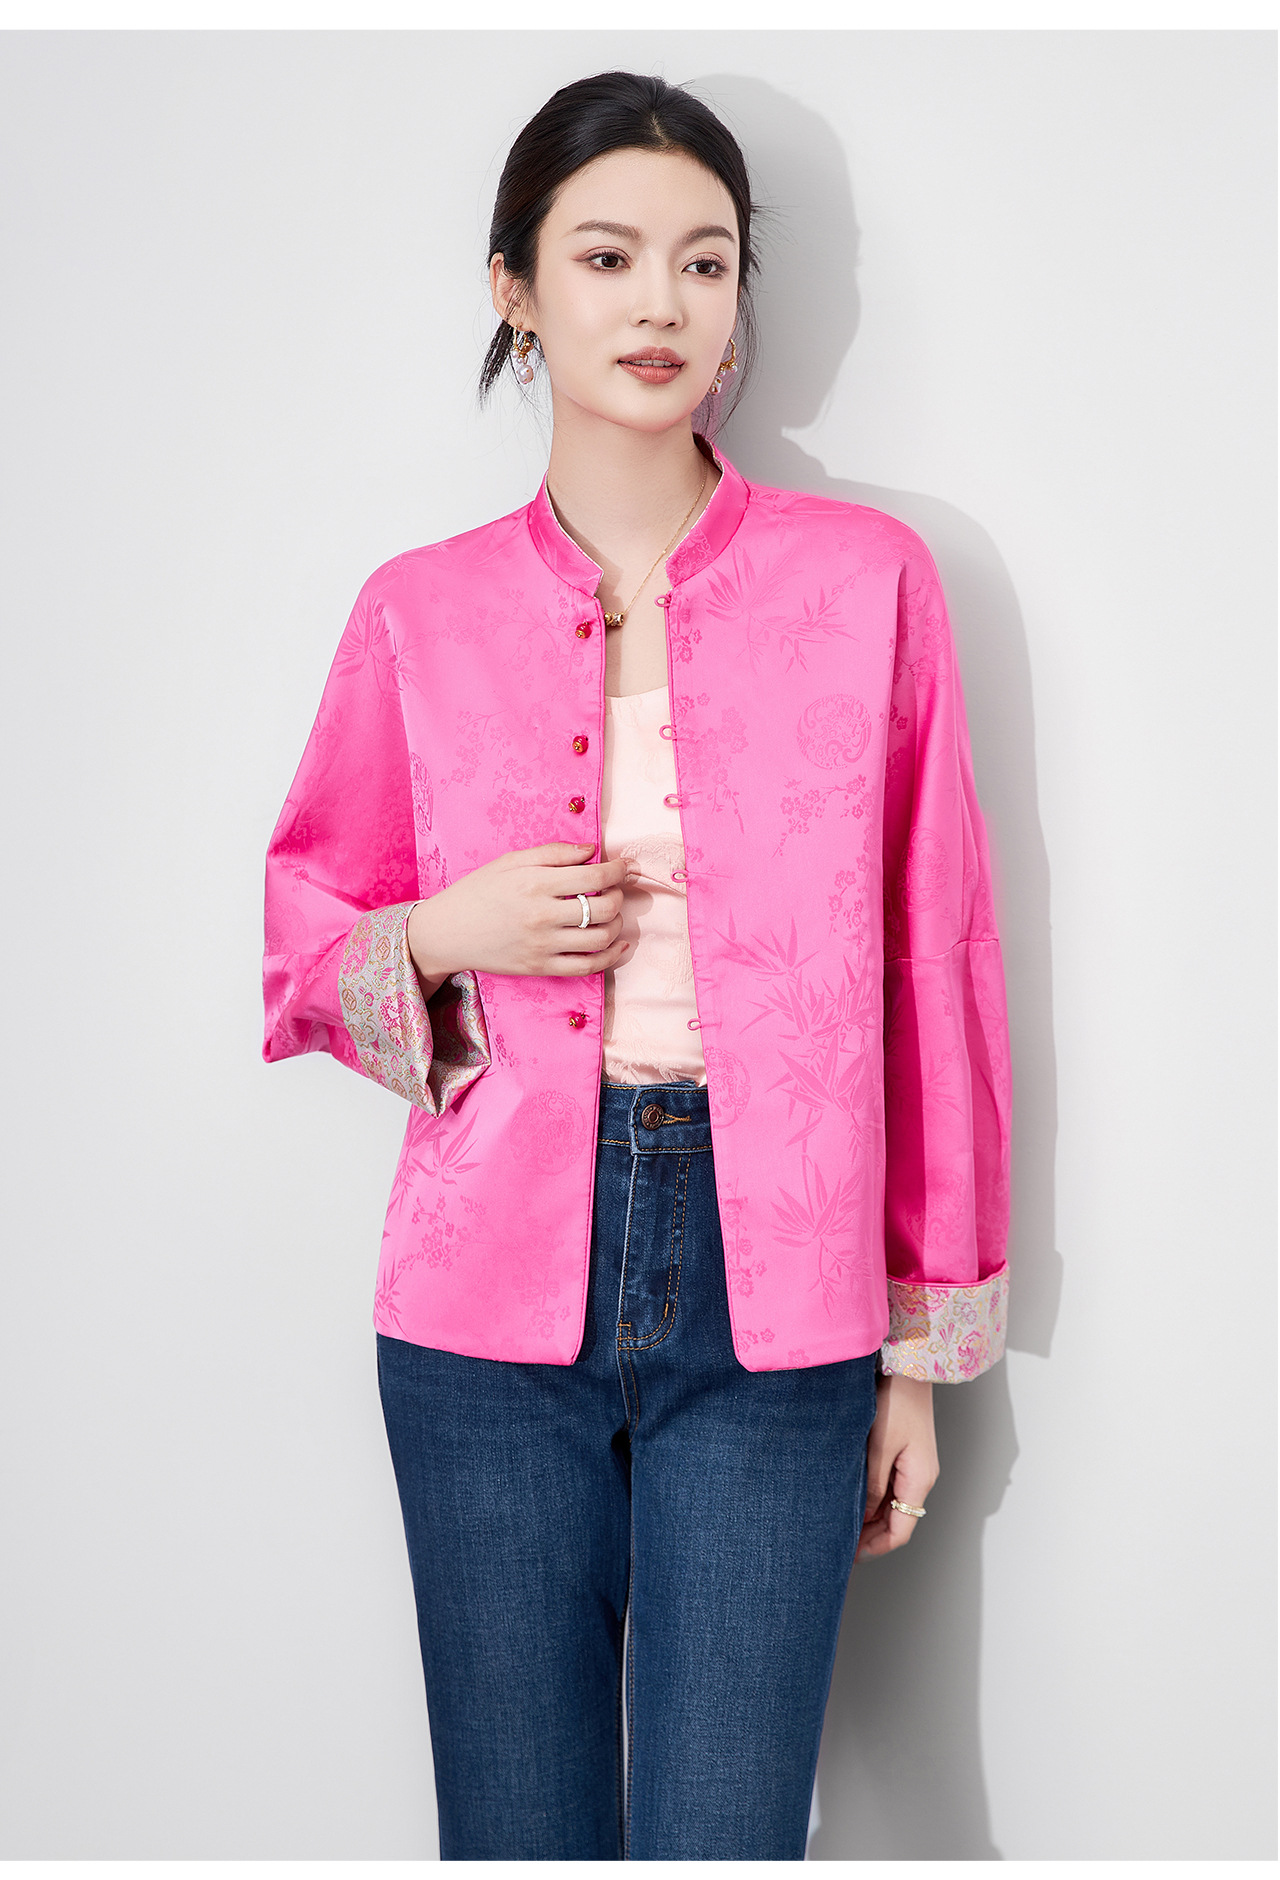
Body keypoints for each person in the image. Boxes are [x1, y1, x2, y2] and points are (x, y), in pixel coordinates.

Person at [262, 69, 1012, 1862]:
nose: (662, 303)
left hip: (784, 1299)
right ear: (516, 286)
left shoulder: (870, 585)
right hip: (481, 1308)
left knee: (725, 1838)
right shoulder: (417, 611)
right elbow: (300, 945)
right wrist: (451, 933)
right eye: (606, 257)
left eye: (705, 259)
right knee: (515, 1834)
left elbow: (939, 965)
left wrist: (919, 1358)